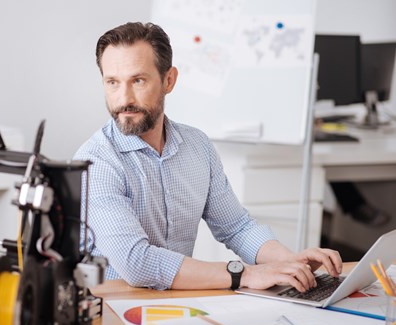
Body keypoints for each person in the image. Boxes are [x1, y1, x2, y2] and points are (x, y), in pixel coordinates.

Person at [74, 22, 342, 292]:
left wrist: (288, 261)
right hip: (114, 312)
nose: (124, 99)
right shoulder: (96, 161)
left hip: (179, 305)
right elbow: (137, 263)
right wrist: (245, 275)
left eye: (138, 81)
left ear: (169, 80)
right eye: (112, 83)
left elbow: (236, 227)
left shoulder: (197, 146)